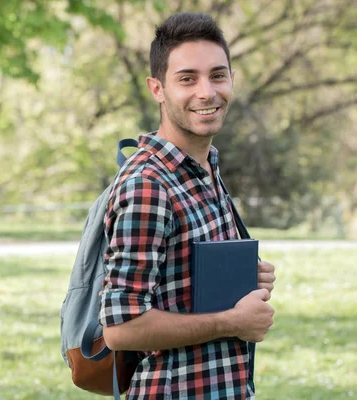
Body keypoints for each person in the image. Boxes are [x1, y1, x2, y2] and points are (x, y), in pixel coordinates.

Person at [99, 12, 276, 400]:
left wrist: (244, 281)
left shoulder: (205, 169)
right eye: (187, 79)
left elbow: (180, 283)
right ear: (157, 88)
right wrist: (233, 321)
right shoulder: (149, 185)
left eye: (217, 75)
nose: (206, 92)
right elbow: (121, 329)